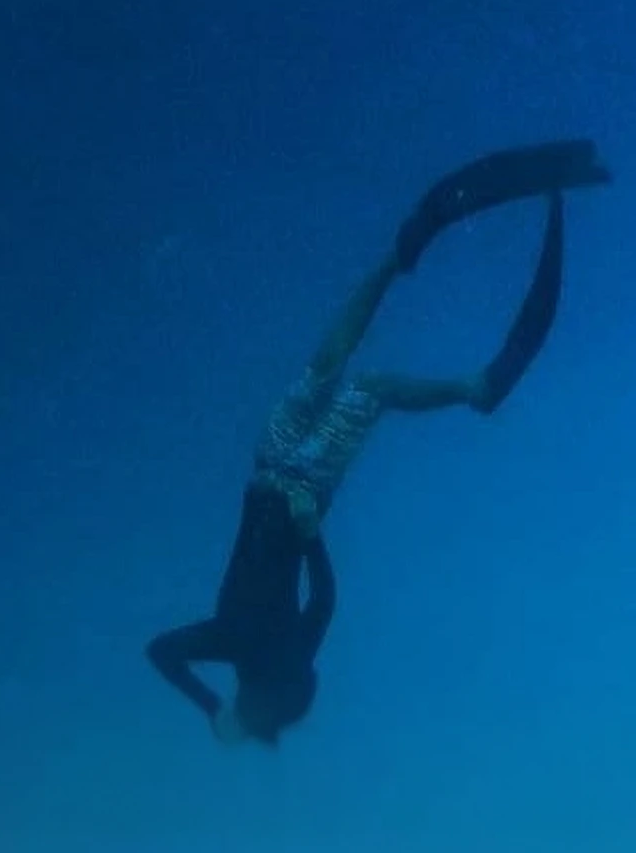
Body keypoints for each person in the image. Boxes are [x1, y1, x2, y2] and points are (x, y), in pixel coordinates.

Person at [144, 140, 611, 748]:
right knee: (370, 387)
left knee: (327, 363)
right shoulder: (272, 655)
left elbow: (166, 651)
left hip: (269, 466)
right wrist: (310, 532)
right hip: (304, 483)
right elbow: (324, 603)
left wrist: (211, 710)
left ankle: (396, 260)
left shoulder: (238, 648)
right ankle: (475, 389)